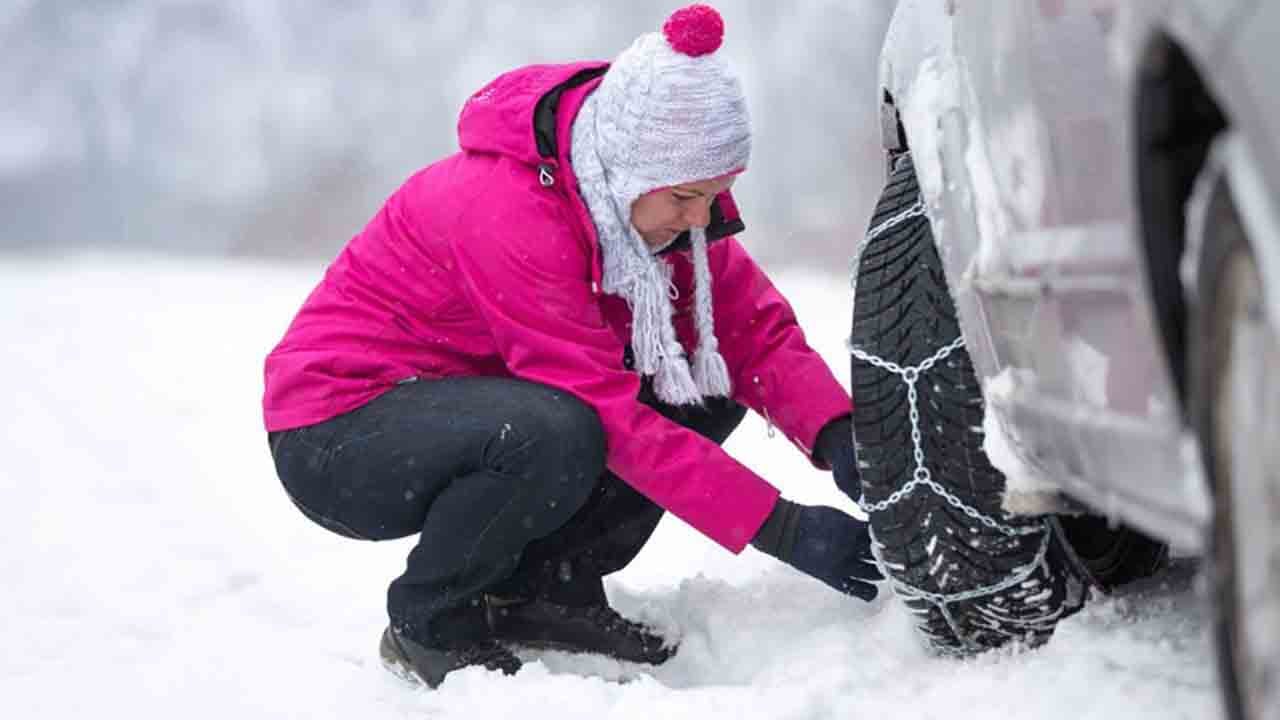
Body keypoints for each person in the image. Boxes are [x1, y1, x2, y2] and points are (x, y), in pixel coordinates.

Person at [263, 3, 881, 688]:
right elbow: (608, 417)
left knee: (695, 380)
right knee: (556, 431)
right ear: (626, 171)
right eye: (685, 196)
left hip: (475, 411)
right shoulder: (509, 212)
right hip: (337, 431)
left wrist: (840, 436)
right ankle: (429, 625)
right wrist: (783, 528)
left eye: (716, 194)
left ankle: (545, 590)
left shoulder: (654, 218)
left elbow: (747, 334)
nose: (701, 218)